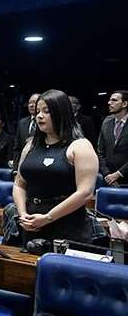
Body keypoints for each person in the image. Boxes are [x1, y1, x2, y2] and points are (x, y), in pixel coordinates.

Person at [14, 90, 98, 245]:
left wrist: (47, 218)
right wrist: (22, 214)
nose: (39, 115)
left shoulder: (80, 146)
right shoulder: (30, 145)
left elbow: (85, 192)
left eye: (46, 111)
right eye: (38, 111)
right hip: (32, 224)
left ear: (62, 113)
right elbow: (19, 183)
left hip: (67, 225)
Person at [98, 90, 128, 187]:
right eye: (110, 100)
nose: (109, 103)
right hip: (108, 179)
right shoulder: (107, 121)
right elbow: (100, 151)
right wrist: (107, 174)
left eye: (114, 100)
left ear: (124, 103)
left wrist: (118, 174)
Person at [13, 93, 40, 170]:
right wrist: (15, 169)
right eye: (29, 103)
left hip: (39, 165)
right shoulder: (22, 123)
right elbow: (17, 148)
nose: (31, 105)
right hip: (23, 165)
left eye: (34, 102)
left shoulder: (47, 122)